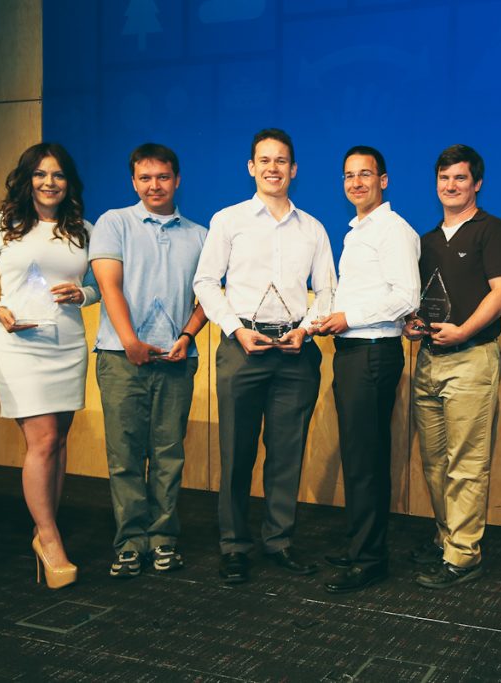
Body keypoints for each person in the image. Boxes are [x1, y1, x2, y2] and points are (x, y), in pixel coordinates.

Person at [194, 128, 335, 584]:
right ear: (251, 167)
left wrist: (306, 328)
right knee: (236, 452)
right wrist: (234, 328)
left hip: (296, 352)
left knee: (286, 454)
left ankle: (279, 541)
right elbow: (204, 282)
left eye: (282, 161)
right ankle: (234, 545)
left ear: (294, 169)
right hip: (243, 349)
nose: (273, 168)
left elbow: (327, 291)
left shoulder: (313, 228)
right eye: (265, 160)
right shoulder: (228, 220)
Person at [0, 142, 98, 589]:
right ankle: (49, 540)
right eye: (40, 174)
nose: (49, 182)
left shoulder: (83, 229)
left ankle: (45, 526)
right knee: (43, 439)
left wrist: (83, 294)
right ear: (27, 179)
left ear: (68, 182)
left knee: (59, 442)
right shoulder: (0, 224)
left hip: (67, 345)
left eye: (58, 175)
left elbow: (97, 285)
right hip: (19, 345)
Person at [90, 143, 209, 579]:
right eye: (145, 178)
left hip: (177, 359)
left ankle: (163, 540)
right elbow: (109, 285)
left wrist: (187, 336)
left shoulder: (200, 235)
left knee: (168, 455)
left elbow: (211, 296)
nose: (154, 185)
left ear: (177, 180)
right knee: (124, 456)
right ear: (133, 182)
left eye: (162, 177)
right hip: (122, 359)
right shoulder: (114, 222)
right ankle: (128, 543)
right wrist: (130, 342)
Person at [403, 144, 501, 590]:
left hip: (472, 360)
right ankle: (446, 537)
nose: (451, 186)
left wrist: (464, 331)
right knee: (434, 461)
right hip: (429, 360)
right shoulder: (426, 241)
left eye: (460, 178)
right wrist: (414, 325)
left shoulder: (493, 231)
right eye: (444, 178)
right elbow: (420, 300)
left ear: (477, 183)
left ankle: (464, 555)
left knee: (466, 463)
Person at [313, 146, 421, 593]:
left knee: (366, 460)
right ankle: (361, 545)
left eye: (365, 174)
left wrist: (348, 318)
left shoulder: (392, 230)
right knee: (360, 456)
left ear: (384, 180)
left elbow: (407, 296)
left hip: (373, 352)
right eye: (349, 175)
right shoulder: (358, 231)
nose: (356, 183)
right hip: (354, 352)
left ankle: (370, 559)